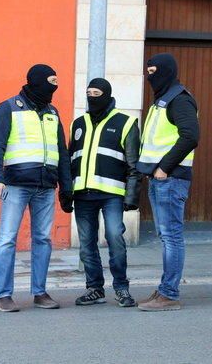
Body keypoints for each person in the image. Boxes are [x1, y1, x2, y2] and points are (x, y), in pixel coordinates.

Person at [0, 64, 73, 312]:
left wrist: (65, 188)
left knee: (43, 239)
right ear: (36, 81)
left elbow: (62, 152)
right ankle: (3, 295)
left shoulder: (52, 112)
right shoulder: (9, 108)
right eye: (51, 81)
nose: (54, 87)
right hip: (16, 185)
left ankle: (40, 292)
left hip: (46, 186)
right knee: (6, 240)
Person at [69, 78, 141, 308]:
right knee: (86, 244)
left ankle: (121, 288)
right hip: (82, 193)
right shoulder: (78, 123)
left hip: (112, 194)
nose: (92, 96)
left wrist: (131, 197)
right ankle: (95, 289)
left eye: (96, 92)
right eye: (88, 92)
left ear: (107, 94)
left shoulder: (126, 122)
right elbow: (71, 160)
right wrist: (66, 192)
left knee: (114, 238)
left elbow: (133, 164)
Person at [136, 53, 199, 311]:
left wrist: (164, 167)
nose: (150, 76)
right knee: (166, 236)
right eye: (148, 71)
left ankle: (169, 293)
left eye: (154, 71)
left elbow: (190, 136)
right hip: (160, 179)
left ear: (166, 71)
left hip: (170, 179)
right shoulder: (162, 99)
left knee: (171, 237)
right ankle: (165, 289)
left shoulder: (178, 99)